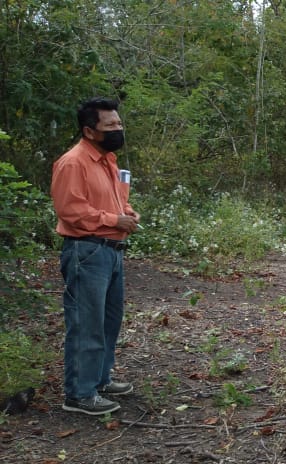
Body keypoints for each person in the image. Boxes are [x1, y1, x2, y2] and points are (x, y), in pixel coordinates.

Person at [51, 97, 140, 415]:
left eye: (119, 123)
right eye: (110, 125)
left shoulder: (108, 160)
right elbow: (70, 210)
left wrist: (128, 213)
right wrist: (115, 220)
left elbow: (117, 200)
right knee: (85, 322)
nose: (118, 129)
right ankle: (79, 393)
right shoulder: (73, 163)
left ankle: (99, 380)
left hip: (111, 252)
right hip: (86, 251)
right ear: (89, 131)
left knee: (109, 320)